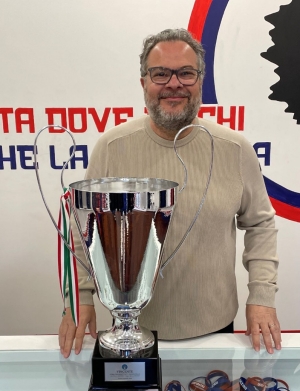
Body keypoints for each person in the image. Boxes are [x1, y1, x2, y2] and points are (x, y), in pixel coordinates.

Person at [59, 28, 281, 358]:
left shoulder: (235, 149)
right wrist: (81, 299)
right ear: (144, 83)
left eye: (186, 73)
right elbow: (83, 230)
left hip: (215, 331)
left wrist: (261, 297)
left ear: (201, 80)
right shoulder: (112, 147)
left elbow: (261, 225)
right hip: (131, 334)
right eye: (160, 73)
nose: (173, 84)